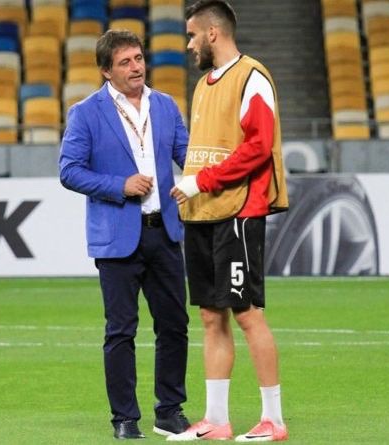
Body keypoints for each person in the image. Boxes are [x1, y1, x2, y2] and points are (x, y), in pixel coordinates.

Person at [167, 1, 290, 442]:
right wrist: (193, 187)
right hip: (202, 212)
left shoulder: (252, 77)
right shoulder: (204, 85)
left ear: (212, 33)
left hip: (239, 210)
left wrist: (201, 181)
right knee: (209, 315)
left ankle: (273, 420)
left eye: (192, 35)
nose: (188, 44)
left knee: (247, 314)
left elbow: (258, 146)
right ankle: (216, 419)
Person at [59, 29, 191, 440]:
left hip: (164, 233)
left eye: (138, 58)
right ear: (106, 71)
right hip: (117, 237)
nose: (136, 67)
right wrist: (120, 185)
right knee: (121, 330)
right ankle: (124, 418)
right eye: (125, 62)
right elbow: (69, 171)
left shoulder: (165, 105)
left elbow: (189, 156)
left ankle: (169, 411)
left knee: (174, 325)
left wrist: (205, 178)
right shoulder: (86, 113)